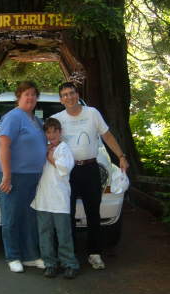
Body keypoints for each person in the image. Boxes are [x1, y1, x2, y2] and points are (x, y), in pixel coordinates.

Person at [53, 82, 129, 270]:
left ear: (77, 94)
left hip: (90, 169)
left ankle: (94, 253)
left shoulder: (92, 113)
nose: (69, 97)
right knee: (67, 213)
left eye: (71, 93)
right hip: (68, 172)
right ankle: (69, 255)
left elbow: (108, 136)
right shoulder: (57, 119)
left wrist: (120, 156)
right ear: (61, 100)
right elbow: (48, 143)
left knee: (93, 212)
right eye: (64, 95)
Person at [0, 81, 47, 273]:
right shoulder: (13, 117)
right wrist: (6, 175)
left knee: (30, 216)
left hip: (32, 176)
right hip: (12, 174)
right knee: (12, 216)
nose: (30, 98)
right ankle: (13, 256)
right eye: (26, 94)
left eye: (33, 94)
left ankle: (31, 256)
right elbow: (3, 145)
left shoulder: (34, 119)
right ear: (19, 97)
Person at [31, 118, 80, 279]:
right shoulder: (43, 149)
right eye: (48, 132)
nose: (51, 135)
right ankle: (50, 263)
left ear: (60, 132)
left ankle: (70, 264)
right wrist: (45, 153)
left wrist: (51, 158)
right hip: (43, 199)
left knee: (63, 234)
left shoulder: (64, 148)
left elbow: (65, 168)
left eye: (54, 131)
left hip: (60, 200)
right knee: (45, 233)